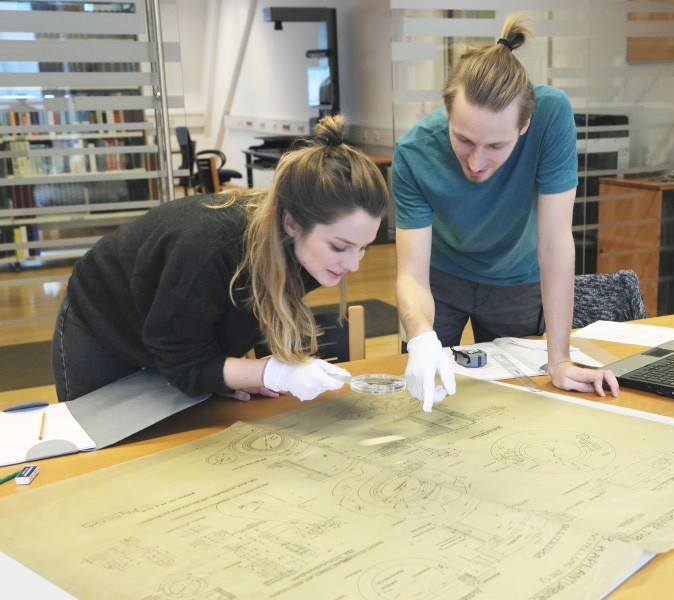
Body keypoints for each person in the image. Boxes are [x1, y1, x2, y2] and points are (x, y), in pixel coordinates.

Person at [52, 114, 389, 403]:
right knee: (102, 449)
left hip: (172, 325)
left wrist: (244, 375)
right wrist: (269, 372)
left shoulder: (306, 251)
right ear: (291, 223)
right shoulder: (210, 248)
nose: (354, 265)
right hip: (104, 321)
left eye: (364, 247)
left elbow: (231, 319)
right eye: (340, 247)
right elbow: (181, 362)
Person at [392, 15, 619, 411]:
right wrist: (421, 337)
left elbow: (554, 243)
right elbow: (411, 274)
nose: (477, 161)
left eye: (496, 145)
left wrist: (560, 360)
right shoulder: (414, 152)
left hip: (516, 278)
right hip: (439, 280)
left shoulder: (551, 116)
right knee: (424, 397)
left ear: (524, 125)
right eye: (463, 139)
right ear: (447, 113)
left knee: (518, 403)